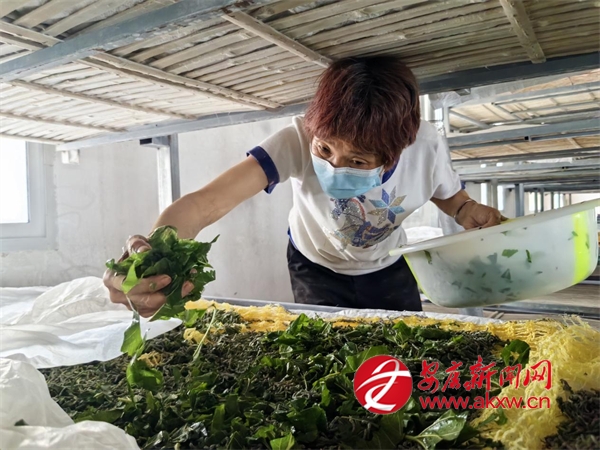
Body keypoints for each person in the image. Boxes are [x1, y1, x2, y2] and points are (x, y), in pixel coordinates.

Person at [104, 56, 503, 318]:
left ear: (398, 149)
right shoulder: (297, 137)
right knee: (330, 357)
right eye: (325, 149)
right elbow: (208, 202)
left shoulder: (426, 146)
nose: (334, 166)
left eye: (358, 161)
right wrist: (157, 252)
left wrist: (469, 212)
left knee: (402, 350)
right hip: (315, 266)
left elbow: (451, 198)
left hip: (388, 265)